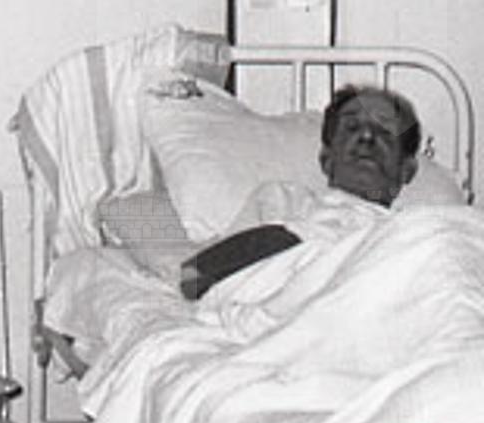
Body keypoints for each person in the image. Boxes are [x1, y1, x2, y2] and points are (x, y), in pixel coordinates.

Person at [178, 85, 421, 299]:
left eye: (384, 131)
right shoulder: (284, 201)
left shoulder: (417, 232)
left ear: (406, 170)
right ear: (326, 160)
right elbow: (197, 276)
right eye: (352, 127)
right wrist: (303, 238)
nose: (367, 137)